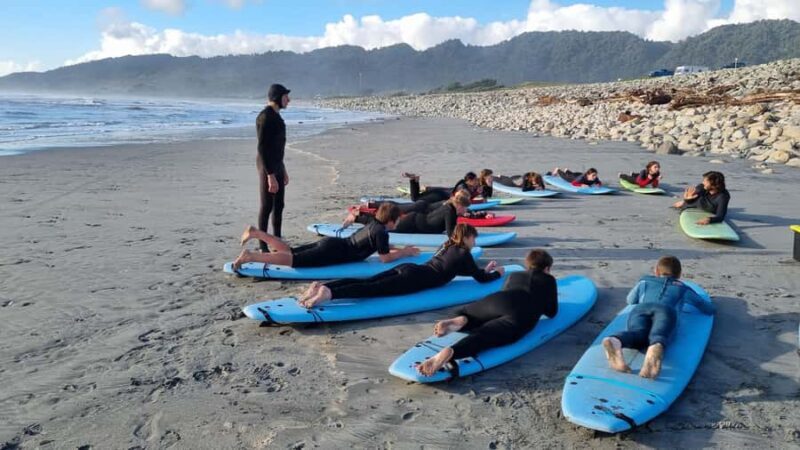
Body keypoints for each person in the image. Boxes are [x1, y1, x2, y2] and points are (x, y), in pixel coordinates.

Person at [417, 249, 558, 377]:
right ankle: (453, 352)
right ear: (547, 268)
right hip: (521, 312)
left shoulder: (515, 274)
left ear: (528, 265)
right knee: (485, 336)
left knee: (466, 313)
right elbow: (552, 312)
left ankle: (461, 319)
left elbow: (505, 291)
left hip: (499, 300)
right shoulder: (549, 280)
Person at [298, 224, 504, 308]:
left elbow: (466, 270)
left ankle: (325, 286)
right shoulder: (463, 253)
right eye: (473, 239)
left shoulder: (447, 245)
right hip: (414, 279)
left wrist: (484, 270)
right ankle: (328, 294)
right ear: (467, 237)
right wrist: (497, 273)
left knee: (369, 282)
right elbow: (480, 279)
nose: (475, 243)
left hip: (410, 269)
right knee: (371, 289)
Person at [602, 256, 716, 379]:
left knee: (638, 333)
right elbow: (706, 309)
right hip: (666, 311)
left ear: (656, 271)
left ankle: (615, 340)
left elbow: (630, 300)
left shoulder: (644, 281)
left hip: (641, 309)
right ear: (679, 274)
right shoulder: (683, 288)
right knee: (659, 334)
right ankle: (655, 347)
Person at [232, 203, 418, 270]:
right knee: (292, 260)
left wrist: (401, 250)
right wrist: (405, 253)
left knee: (290, 250)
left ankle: (256, 232)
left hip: (332, 244)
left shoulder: (374, 225)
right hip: (332, 252)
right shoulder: (381, 233)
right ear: (391, 221)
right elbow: (385, 258)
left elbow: (382, 248)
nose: (398, 224)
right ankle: (250, 257)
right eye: (397, 221)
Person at [256, 83, 291, 252]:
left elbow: (278, 149)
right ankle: (263, 247)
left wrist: (282, 169)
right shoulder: (265, 117)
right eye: (286, 97)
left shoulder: (277, 117)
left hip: (277, 165)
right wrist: (270, 175)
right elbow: (262, 148)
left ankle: (277, 240)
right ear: (278, 97)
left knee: (279, 205)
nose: (288, 100)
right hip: (266, 167)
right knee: (267, 206)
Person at [349, 192, 471, 237]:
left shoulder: (449, 207)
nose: (465, 211)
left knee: (387, 220)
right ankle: (358, 218)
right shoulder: (450, 211)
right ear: (459, 205)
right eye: (465, 208)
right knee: (384, 226)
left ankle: (362, 214)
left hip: (416, 219)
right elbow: (451, 234)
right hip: (413, 223)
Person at [402, 171, 482, 203]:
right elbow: (463, 200)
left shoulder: (464, 185)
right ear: (469, 180)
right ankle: (414, 180)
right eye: (475, 180)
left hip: (438, 192)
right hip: (439, 196)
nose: (476, 182)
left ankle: (415, 180)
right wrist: (476, 193)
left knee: (416, 197)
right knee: (415, 199)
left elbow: (446, 189)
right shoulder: (463, 188)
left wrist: (429, 188)